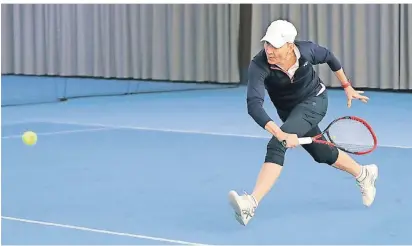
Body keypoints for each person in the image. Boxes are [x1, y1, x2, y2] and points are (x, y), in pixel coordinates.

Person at [228, 20, 378, 226]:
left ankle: (250, 203)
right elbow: (254, 105)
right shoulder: (259, 64)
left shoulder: (307, 51)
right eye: (266, 44)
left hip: (315, 101)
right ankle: (364, 173)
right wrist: (280, 131)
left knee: (276, 145)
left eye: (274, 45)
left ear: (290, 45)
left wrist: (347, 86)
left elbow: (330, 58)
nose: (268, 50)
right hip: (289, 112)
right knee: (322, 153)